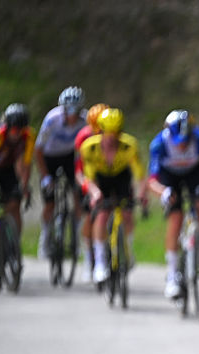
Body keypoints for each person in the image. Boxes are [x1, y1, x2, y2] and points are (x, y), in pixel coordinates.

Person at [147, 109, 199, 299]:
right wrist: (163, 192)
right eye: (178, 143)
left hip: (193, 173)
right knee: (176, 218)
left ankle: (197, 240)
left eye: (186, 142)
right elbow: (151, 181)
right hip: (169, 177)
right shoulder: (159, 144)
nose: (182, 147)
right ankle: (172, 275)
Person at [76, 106, 147, 285]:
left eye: (115, 133)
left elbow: (140, 174)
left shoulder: (129, 145)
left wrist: (142, 194)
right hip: (100, 180)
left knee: (128, 213)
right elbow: (87, 176)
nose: (111, 137)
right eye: (107, 133)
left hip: (121, 177)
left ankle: (128, 250)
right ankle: (99, 263)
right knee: (101, 216)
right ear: (100, 131)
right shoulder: (89, 147)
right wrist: (95, 193)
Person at [34, 86, 86, 259]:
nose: (72, 114)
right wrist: (45, 176)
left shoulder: (84, 120)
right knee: (50, 203)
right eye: (68, 109)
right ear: (63, 108)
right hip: (49, 157)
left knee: (78, 195)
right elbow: (38, 150)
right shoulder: (52, 119)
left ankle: (77, 241)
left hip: (69, 157)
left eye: (75, 110)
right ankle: (46, 239)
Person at [0, 103, 34, 262]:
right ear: (7, 127)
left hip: (7, 170)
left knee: (15, 202)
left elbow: (26, 163)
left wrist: (24, 186)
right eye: (14, 130)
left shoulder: (28, 136)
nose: (17, 134)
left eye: (20, 129)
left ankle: (14, 242)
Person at [73, 103, 108, 281]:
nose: (99, 133)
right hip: (88, 177)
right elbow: (79, 171)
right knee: (88, 216)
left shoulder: (113, 134)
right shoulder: (83, 137)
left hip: (109, 175)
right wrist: (90, 189)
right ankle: (88, 258)